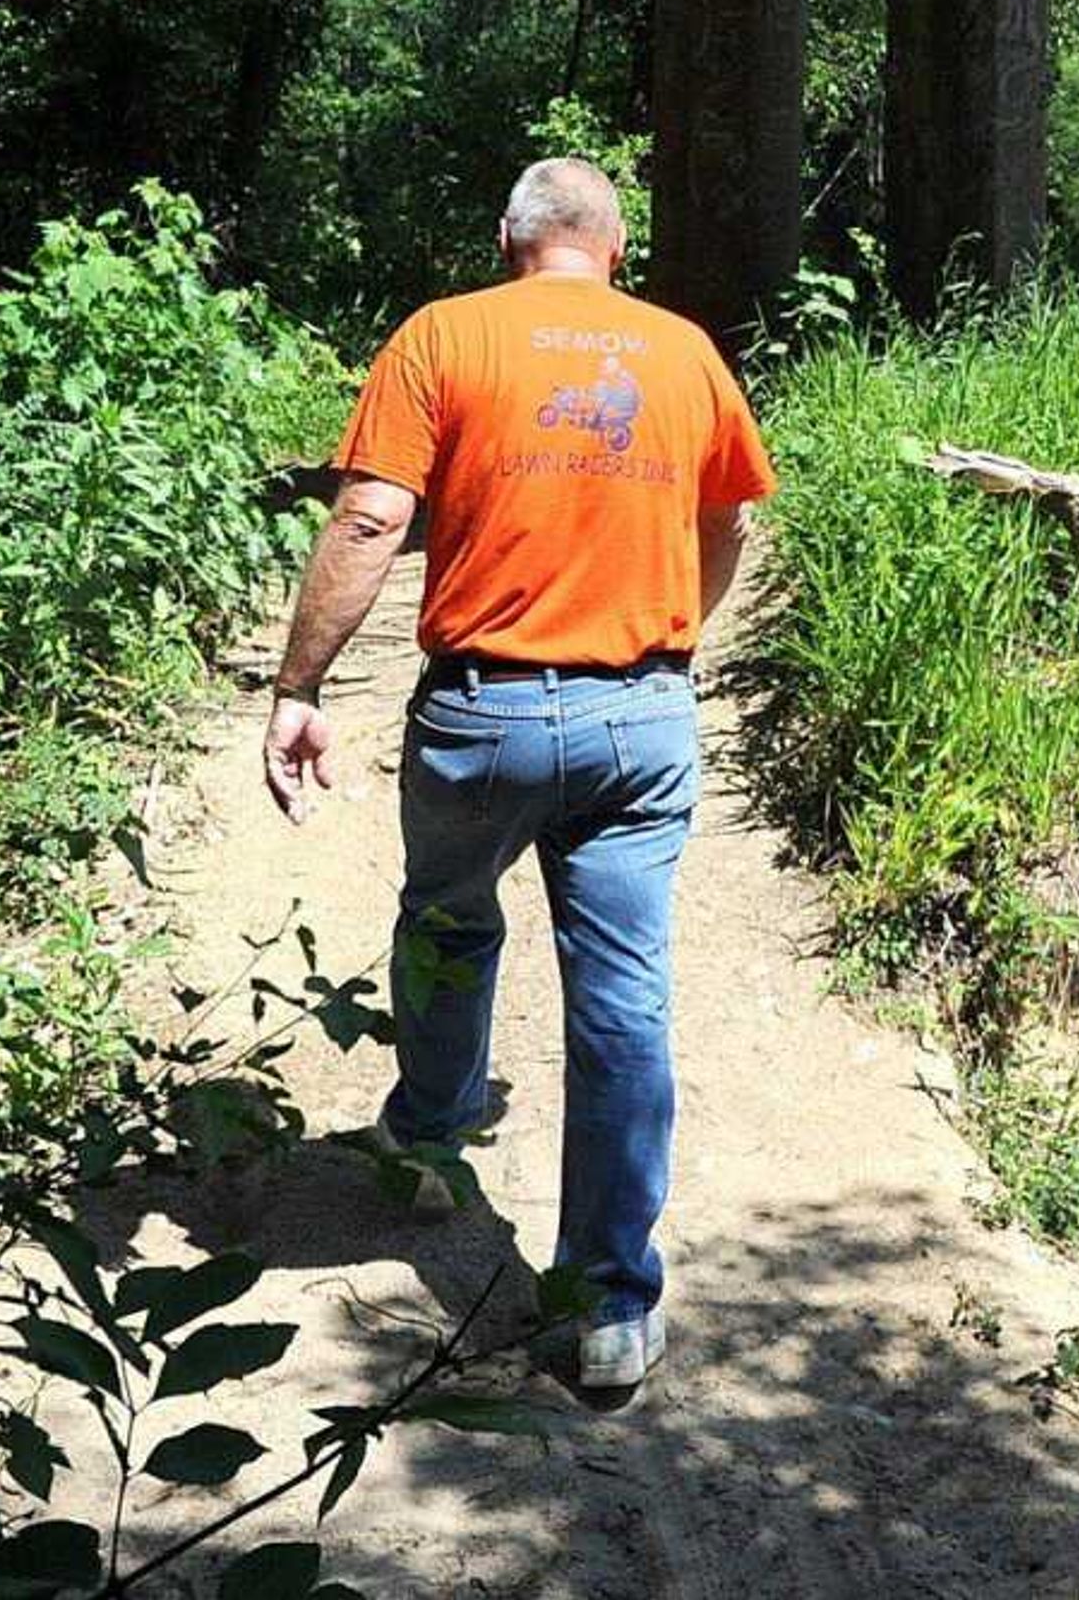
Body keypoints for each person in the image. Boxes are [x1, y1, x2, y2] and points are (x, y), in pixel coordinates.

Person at [260, 158, 774, 1392]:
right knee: (623, 999)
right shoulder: (684, 352)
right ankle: (605, 1306)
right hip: (640, 717)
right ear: (615, 245)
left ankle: (429, 1135)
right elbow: (732, 523)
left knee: (447, 916)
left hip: (483, 714)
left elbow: (373, 520)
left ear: (510, 240)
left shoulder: (444, 336)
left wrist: (300, 686)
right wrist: (672, 648)